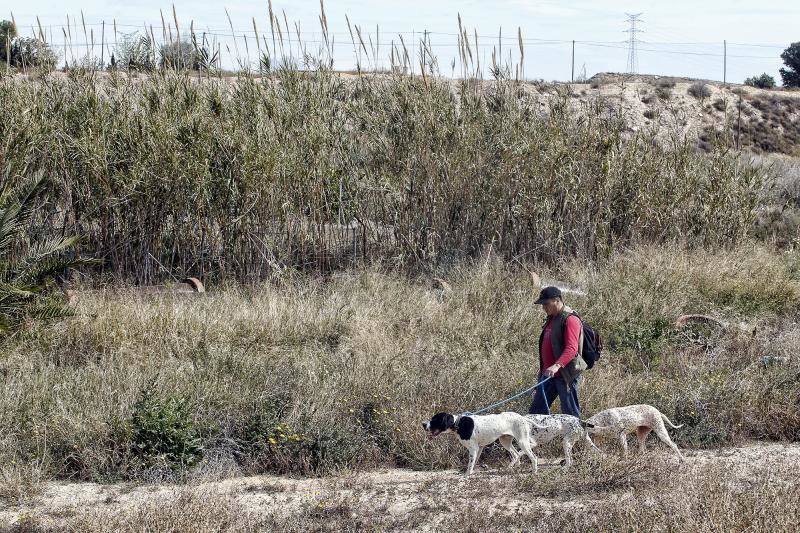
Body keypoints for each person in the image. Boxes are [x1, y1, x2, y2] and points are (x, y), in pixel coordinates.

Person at [529, 286, 586, 418]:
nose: (543, 307)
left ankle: (576, 438)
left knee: (570, 416)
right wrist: (543, 370)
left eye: (546, 304)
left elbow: (572, 348)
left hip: (566, 376)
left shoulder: (570, 319)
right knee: (535, 413)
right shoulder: (551, 318)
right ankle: (537, 438)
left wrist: (557, 365)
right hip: (548, 376)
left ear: (556, 300)